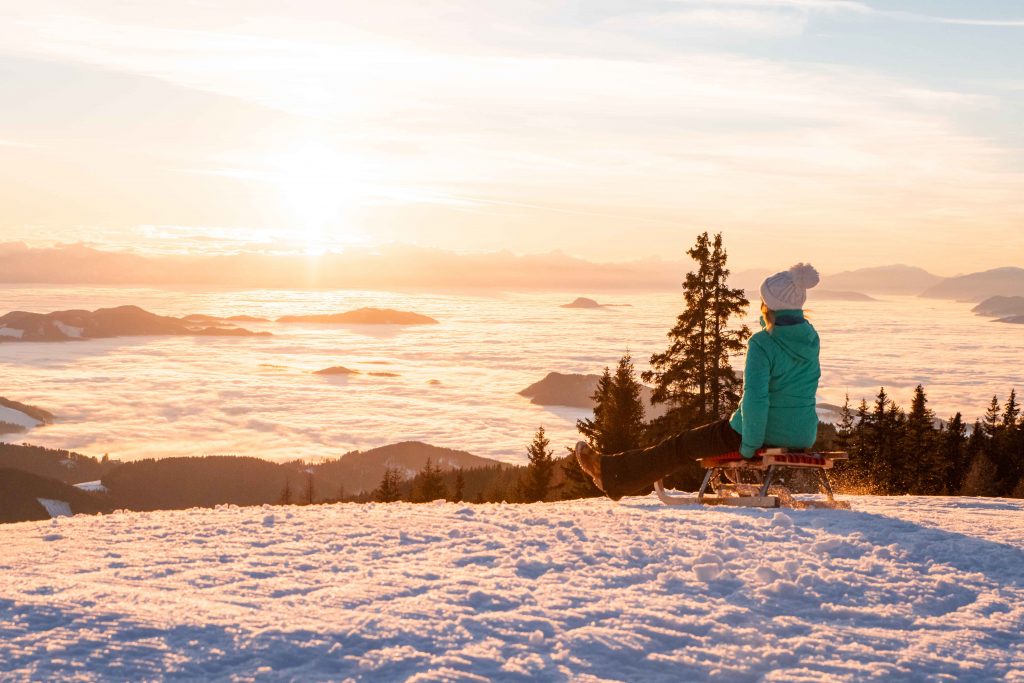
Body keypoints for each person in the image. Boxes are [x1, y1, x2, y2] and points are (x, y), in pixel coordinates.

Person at [575, 263, 822, 500]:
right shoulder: (811, 339)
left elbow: (756, 399)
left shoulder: (762, 343)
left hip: (763, 433)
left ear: (768, 305)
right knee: (690, 442)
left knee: (680, 446)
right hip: (802, 434)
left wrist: (749, 447)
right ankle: (615, 475)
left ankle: (610, 473)